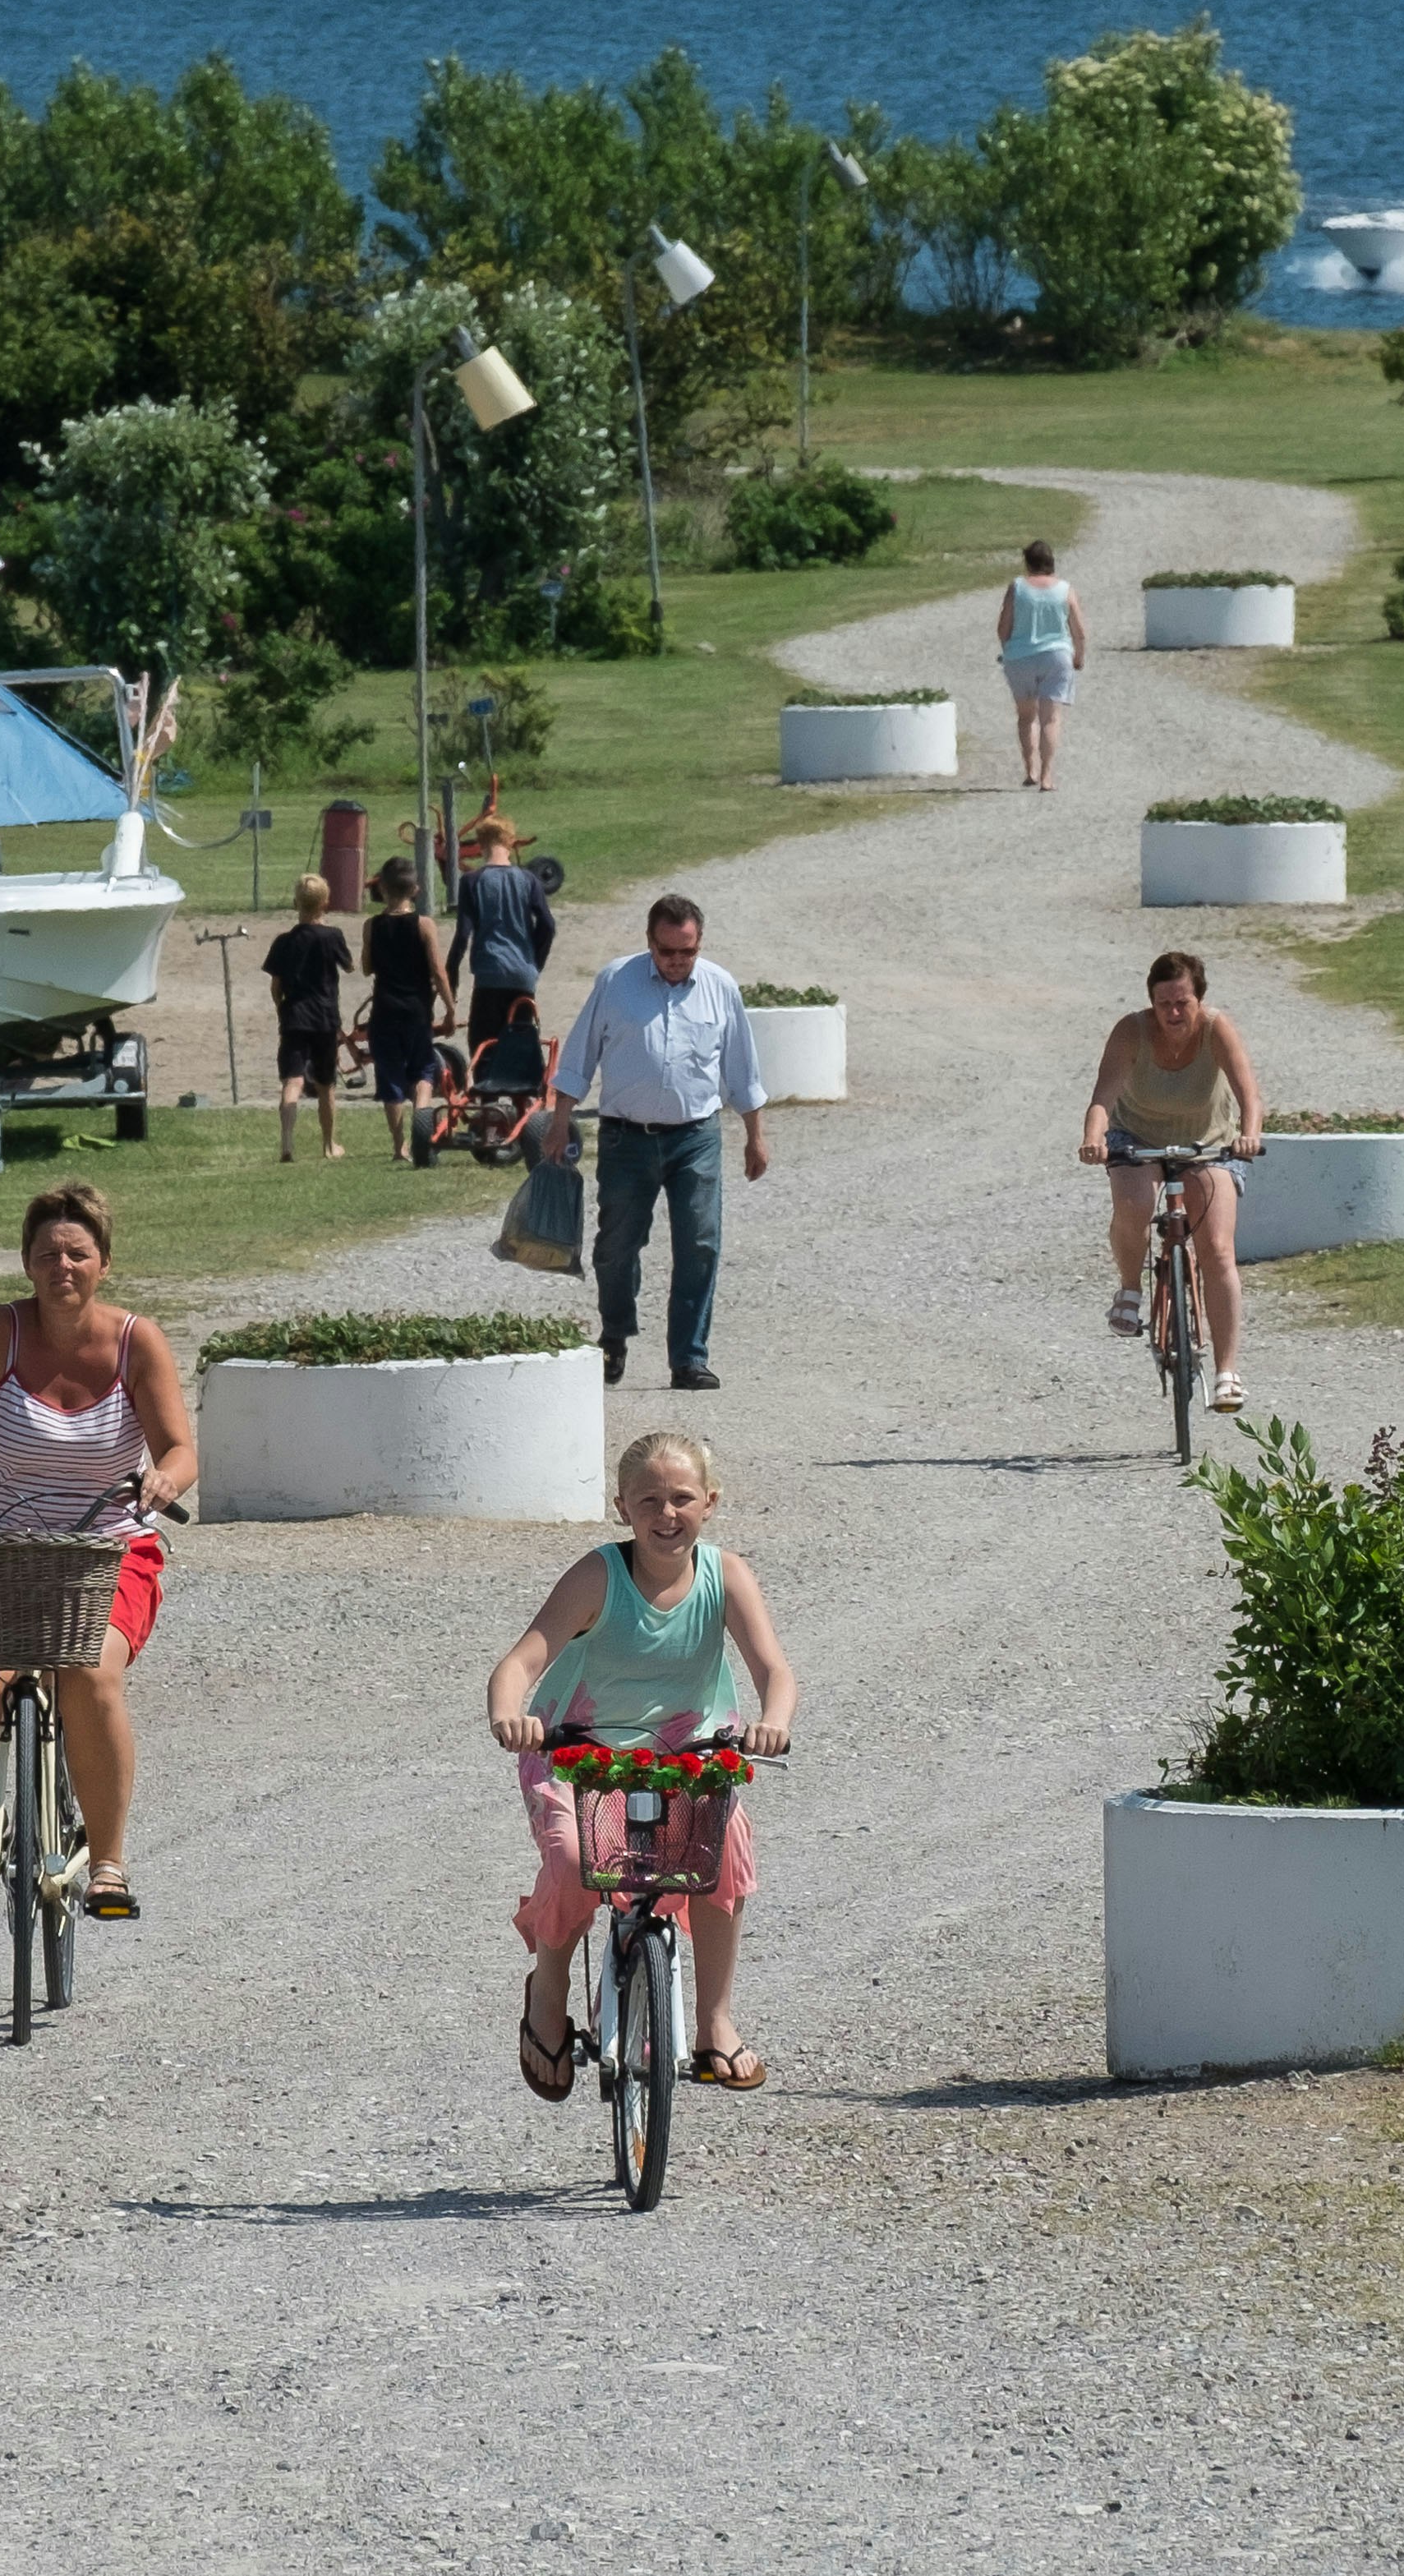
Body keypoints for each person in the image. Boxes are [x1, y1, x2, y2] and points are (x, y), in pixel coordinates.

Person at [0, 1182, 197, 1920]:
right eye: (47, 1253)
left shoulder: (135, 1341)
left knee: (89, 1677)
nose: (63, 1265)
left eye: (78, 1252)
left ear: (104, 1263)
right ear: (26, 1263)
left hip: (105, 1545)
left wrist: (162, 1478)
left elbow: (181, 1448)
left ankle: (111, 1860)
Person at [486, 1431, 799, 2099]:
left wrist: (772, 1721)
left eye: (682, 1497)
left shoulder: (727, 1576)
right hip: (577, 1755)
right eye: (648, 1499)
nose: (667, 1513)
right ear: (622, 1507)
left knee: (722, 1850)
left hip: (687, 1760)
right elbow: (521, 1660)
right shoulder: (598, 1575)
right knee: (573, 1862)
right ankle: (548, 1990)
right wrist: (511, 1714)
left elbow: (774, 1669)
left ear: (710, 1502)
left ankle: (714, 2019)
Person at [550, 892, 766, 1392]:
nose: (676, 962)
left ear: (699, 943)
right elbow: (580, 1057)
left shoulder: (719, 988)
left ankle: (689, 1358)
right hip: (627, 1138)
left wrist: (756, 1136)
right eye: (667, 951)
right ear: (650, 942)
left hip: (696, 1136)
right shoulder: (616, 982)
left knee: (700, 1241)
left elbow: (742, 1069)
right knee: (616, 1245)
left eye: (686, 952)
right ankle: (615, 1334)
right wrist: (559, 1123)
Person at [1079, 951, 1268, 1414]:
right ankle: (1129, 1289)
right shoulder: (1132, 1031)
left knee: (1218, 1249)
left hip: (1209, 1142)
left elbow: (1249, 1093)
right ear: (1151, 1004)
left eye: (1183, 1001)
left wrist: (1249, 1136)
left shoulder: (1216, 1029)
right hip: (1137, 1137)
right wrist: (1092, 1139)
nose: (1174, 1013)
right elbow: (1103, 1095)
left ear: (1199, 1000)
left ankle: (1227, 1374)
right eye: (1164, 1004)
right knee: (1134, 1203)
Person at [360, 855, 449, 1164]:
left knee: (390, 1078)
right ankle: (421, 1127)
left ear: (382, 889)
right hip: (417, 1009)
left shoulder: (372, 925)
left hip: (384, 1010)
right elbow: (438, 970)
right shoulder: (424, 925)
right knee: (424, 1070)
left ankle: (400, 1146)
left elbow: (367, 967)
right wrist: (450, 1007)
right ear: (416, 889)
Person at [262, 873, 355, 1164]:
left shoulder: (284, 942)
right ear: (325, 903)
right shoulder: (332, 937)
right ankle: (329, 1144)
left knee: (293, 1080)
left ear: (295, 903)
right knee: (326, 1084)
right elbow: (350, 966)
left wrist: (281, 1008)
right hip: (325, 1018)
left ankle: (287, 1143)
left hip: (294, 1018)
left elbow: (275, 986)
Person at [449, 813, 557, 1058]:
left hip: (489, 973)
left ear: (480, 844)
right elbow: (548, 925)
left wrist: (451, 974)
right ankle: (522, 1090)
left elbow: (463, 935)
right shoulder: (529, 880)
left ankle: (488, 1091)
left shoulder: (472, 881)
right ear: (510, 842)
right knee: (520, 1036)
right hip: (522, 974)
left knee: (482, 1040)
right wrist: (534, 961)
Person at [996, 538, 1081, 791]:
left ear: (1027, 562)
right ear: (1051, 562)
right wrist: (1079, 657)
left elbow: (1003, 627)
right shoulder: (1065, 589)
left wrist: (1008, 650)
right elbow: (1079, 630)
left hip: (1020, 657)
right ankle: (1046, 775)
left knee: (1026, 717)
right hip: (1057, 655)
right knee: (1050, 719)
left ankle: (1029, 769)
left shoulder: (1017, 588)